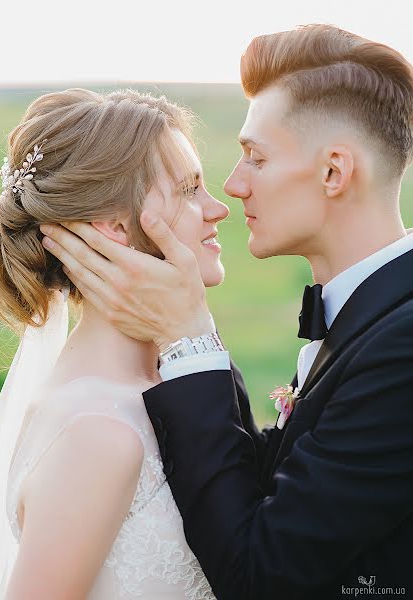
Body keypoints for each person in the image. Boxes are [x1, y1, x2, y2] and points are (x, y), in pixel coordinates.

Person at [40, 25, 413, 599]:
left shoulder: (404, 344)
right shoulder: (372, 314)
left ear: (334, 173)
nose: (233, 187)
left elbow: (263, 575)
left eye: (255, 158)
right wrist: (193, 335)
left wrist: (188, 336)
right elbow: (278, 488)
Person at [0, 87, 230, 599]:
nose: (216, 209)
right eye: (189, 190)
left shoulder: (172, 381)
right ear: (113, 227)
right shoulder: (98, 433)